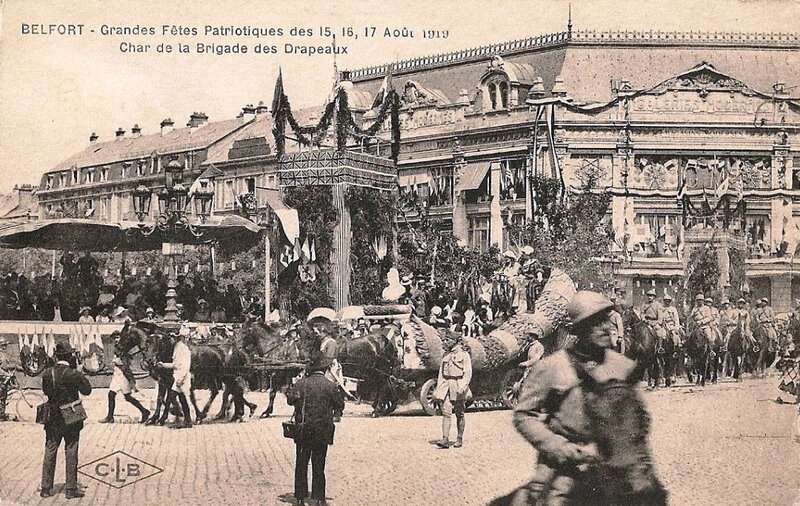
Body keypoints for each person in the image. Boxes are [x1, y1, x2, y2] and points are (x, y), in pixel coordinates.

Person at [511, 291, 666, 504]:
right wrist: (559, 447)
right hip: (566, 466)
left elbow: (637, 420)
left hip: (617, 466)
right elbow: (523, 415)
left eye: (607, 319)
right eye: (596, 322)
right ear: (580, 330)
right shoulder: (552, 367)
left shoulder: (622, 366)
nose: (606, 327)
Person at [286, 350, 345, 506]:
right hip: (322, 430)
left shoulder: (301, 384)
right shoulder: (330, 386)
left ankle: (300, 497)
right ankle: (318, 498)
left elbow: (290, 401)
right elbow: (340, 405)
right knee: (319, 464)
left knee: (301, 463)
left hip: (303, 429)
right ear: (325, 368)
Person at [40, 342, 91, 499]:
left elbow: (46, 391)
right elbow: (87, 390)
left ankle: (46, 488)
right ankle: (70, 489)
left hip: (52, 416)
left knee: (50, 448)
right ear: (70, 357)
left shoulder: (48, 373)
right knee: (71, 448)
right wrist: (80, 372)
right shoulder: (73, 373)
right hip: (70, 416)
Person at [99, 335, 150, 424]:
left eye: (118, 338)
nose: (116, 340)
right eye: (114, 338)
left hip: (123, 375)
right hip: (117, 373)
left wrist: (131, 382)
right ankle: (110, 417)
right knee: (111, 394)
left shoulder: (124, 350)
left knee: (128, 397)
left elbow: (126, 367)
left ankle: (144, 411)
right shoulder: (117, 349)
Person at [433, 335, 472, 449]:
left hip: (458, 385)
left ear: (455, 341)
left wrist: (463, 387)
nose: (445, 342)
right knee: (446, 412)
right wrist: (439, 389)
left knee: (459, 413)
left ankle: (459, 438)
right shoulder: (446, 355)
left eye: (448, 340)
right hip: (447, 385)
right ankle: (445, 439)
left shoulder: (464, 355)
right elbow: (441, 374)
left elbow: (467, 373)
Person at [157, 329, 194, 429]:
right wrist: (164, 365)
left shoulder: (183, 349)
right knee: (182, 399)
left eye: (172, 338)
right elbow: (175, 364)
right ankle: (188, 420)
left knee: (171, 397)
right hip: (178, 376)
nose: (171, 341)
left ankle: (180, 416)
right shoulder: (177, 348)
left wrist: (180, 379)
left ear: (176, 338)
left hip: (182, 378)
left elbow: (185, 366)